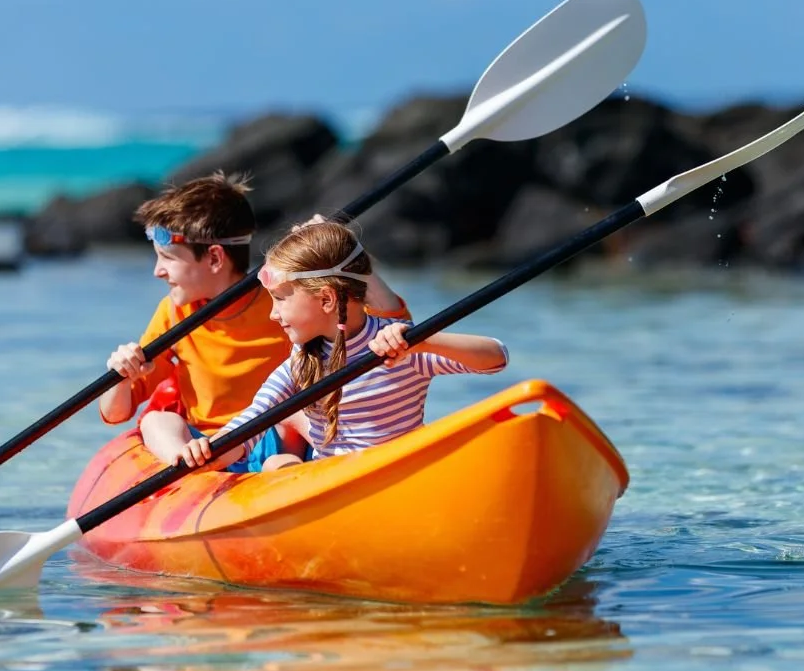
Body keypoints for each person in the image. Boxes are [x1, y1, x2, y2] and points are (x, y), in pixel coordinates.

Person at [98, 176, 406, 469]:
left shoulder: (283, 301)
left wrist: (347, 253)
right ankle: (188, 469)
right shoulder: (174, 313)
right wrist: (122, 376)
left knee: (294, 414)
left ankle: (286, 474)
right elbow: (116, 413)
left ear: (216, 258)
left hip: (277, 437)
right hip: (207, 444)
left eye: (167, 257)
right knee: (155, 421)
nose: (158, 271)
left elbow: (391, 323)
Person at [174, 219, 508, 472]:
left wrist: (422, 340)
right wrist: (206, 449)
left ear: (326, 299)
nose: (273, 314)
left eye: (280, 300)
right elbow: (250, 423)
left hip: (400, 475)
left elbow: (496, 358)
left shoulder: (401, 345)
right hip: (334, 482)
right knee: (277, 466)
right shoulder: (300, 363)